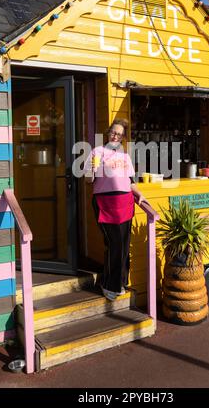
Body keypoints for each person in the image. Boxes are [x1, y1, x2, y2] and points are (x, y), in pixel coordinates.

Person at [85, 119, 147, 301]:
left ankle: (120, 282)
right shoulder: (97, 152)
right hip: (105, 203)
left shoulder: (125, 156)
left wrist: (139, 194)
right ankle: (108, 284)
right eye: (113, 132)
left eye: (119, 134)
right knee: (114, 244)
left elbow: (131, 182)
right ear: (108, 132)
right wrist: (93, 170)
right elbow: (88, 181)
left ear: (123, 137)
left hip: (126, 203)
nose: (115, 136)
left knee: (124, 244)